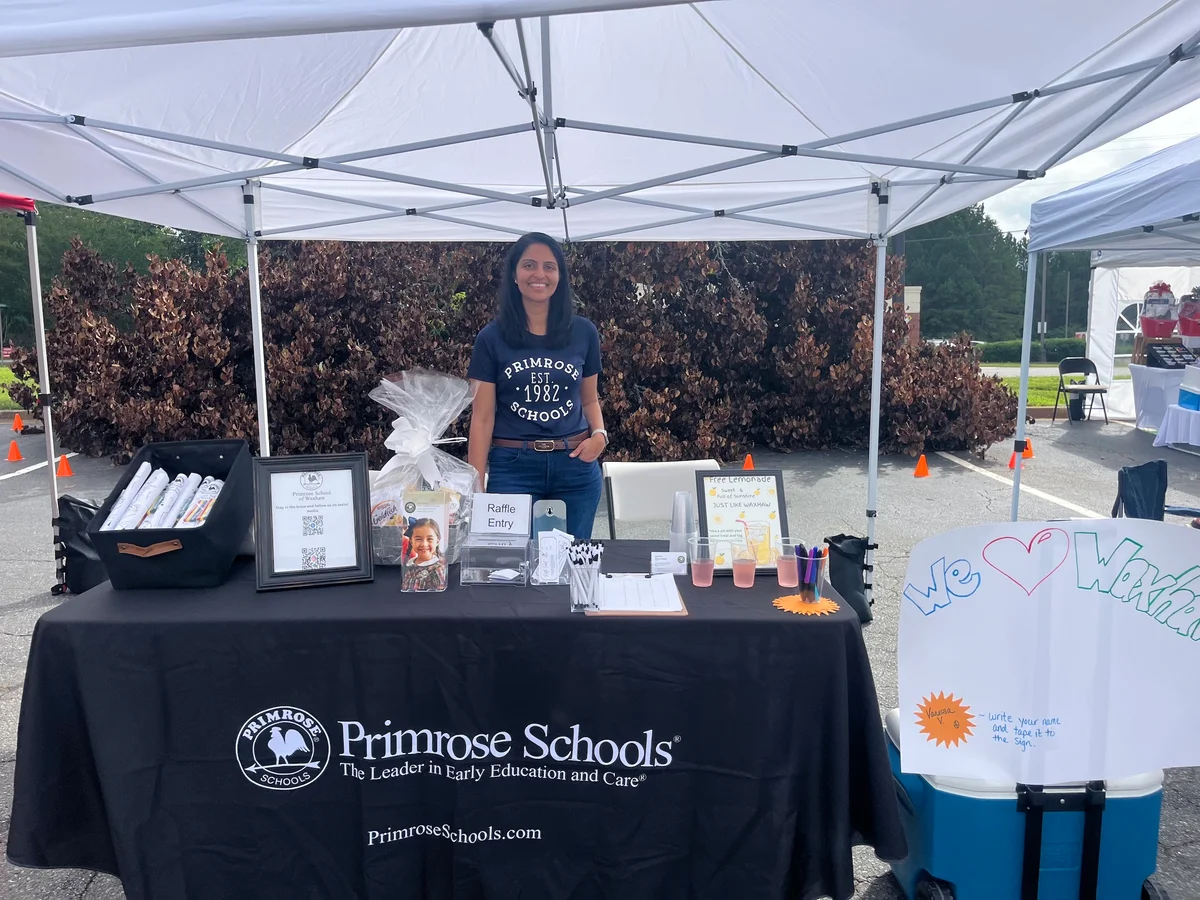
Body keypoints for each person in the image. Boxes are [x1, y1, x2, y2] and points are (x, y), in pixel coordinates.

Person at [467, 232, 607, 540]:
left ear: (560, 276)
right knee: (511, 570)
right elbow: (482, 417)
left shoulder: (584, 333)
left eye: (549, 266)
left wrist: (600, 436)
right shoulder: (490, 339)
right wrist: (475, 487)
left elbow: (589, 401)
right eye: (529, 265)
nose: (539, 274)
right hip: (513, 467)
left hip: (575, 465)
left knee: (572, 566)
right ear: (514, 274)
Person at [402, 518, 447, 592]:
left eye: (429, 539)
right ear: (411, 541)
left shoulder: (437, 569)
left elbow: (440, 596)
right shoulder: (408, 564)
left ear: (437, 541)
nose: (424, 544)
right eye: (418, 539)